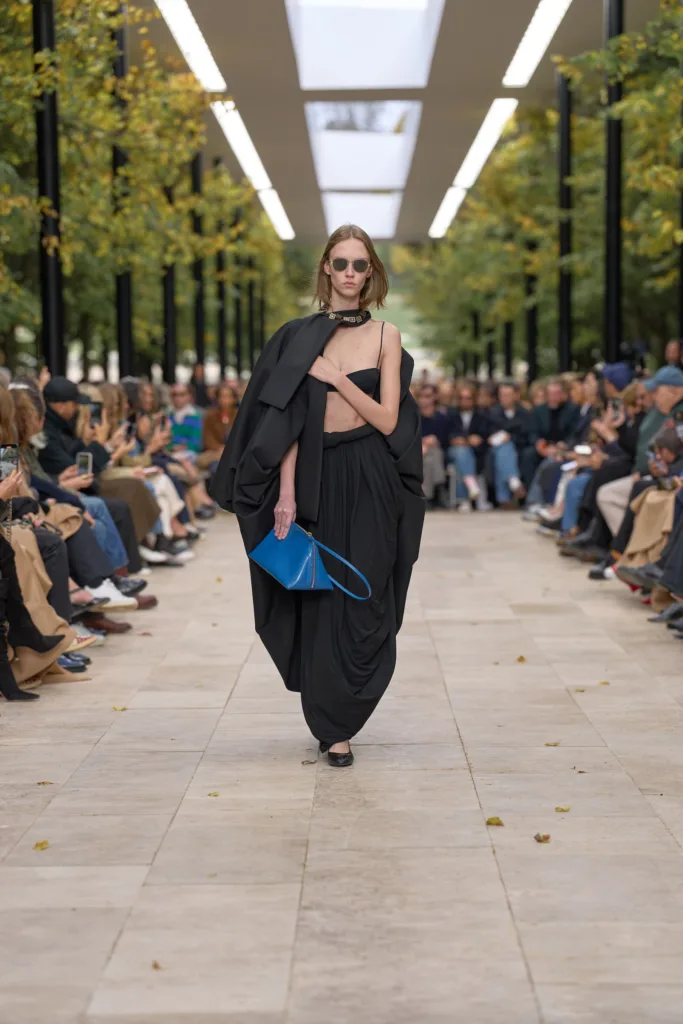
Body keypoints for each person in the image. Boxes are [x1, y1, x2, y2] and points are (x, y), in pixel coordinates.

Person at [211, 223, 424, 767]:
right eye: (341, 263)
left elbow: (388, 418)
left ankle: (350, 705)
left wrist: (337, 378)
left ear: (371, 273)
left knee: (367, 592)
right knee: (321, 595)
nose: (350, 273)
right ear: (326, 267)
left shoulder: (387, 335)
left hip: (371, 473)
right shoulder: (296, 336)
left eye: (360, 264)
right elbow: (286, 422)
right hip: (315, 474)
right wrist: (285, 492)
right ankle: (334, 728)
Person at [487, 381, 532, 505]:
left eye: (508, 395)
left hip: (518, 448)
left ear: (516, 395)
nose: (504, 398)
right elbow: (487, 432)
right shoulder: (492, 412)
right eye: (501, 395)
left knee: (505, 449)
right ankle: (513, 481)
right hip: (494, 449)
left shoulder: (525, 413)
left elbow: (528, 435)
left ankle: (504, 497)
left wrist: (511, 437)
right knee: (503, 449)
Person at [448, 383, 491, 508]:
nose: (464, 401)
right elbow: (448, 435)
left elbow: (484, 436)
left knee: (462, 459)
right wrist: (465, 440)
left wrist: (471, 440)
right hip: (453, 451)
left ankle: (464, 499)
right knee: (461, 452)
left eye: (468, 398)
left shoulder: (482, 415)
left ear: (474, 399)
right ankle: (472, 487)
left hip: (476, 452)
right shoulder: (451, 414)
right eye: (461, 398)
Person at [418, 384, 449, 508]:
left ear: (435, 397)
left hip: (438, 453)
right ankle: (439, 488)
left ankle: (427, 497)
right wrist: (422, 442)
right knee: (429, 456)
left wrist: (435, 441)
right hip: (417, 452)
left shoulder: (442, 418)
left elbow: (446, 439)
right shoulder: (413, 416)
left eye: (428, 396)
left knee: (432, 456)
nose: (424, 400)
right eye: (421, 396)